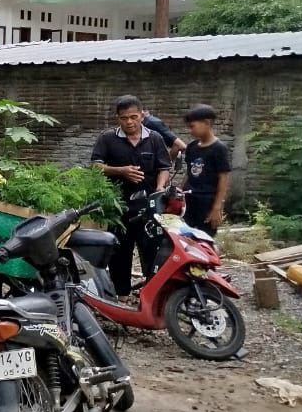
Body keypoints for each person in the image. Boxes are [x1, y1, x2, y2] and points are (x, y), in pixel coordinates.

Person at [92, 95, 171, 296]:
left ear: (142, 116)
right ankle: (122, 294)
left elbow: (164, 167)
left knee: (152, 250)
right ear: (117, 118)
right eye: (124, 118)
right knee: (119, 252)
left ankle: (152, 294)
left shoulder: (155, 138)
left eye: (133, 117)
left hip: (149, 207)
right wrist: (121, 171)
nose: (129, 122)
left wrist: (160, 187)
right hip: (119, 207)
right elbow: (95, 166)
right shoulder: (107, 138)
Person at [182, 104, 230, 235]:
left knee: (205, 238)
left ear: (207, 123)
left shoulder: (219, 149)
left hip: (207, 201)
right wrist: (180, 192)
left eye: (192, 126)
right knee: (186, 236)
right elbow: (189, 172)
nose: (190, 130)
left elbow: (223, 178)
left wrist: (217, 206)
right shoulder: (192, 147)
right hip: (189, 199)